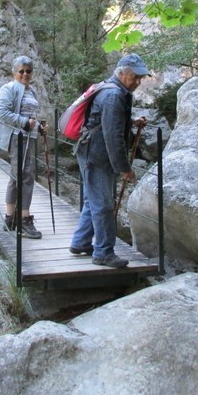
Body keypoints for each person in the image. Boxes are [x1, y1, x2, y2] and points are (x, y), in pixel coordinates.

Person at [69, 53, 150, 268]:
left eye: (140, 78)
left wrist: (131, 121)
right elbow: (112, 136)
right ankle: (103, 252)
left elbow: (106, 119)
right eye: (135, 77)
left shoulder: (111, 89)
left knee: (93, 199)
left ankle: (80, 242)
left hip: (90, 152)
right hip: (97, 156)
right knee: (103, 204)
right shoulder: (114, 95)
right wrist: (125, 168)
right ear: (122, 73)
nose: (138, 82)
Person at [0, 56, 43, 239]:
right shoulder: (8, 88)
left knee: (19, 176)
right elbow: (2, 112)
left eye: (28, 71)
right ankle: (23, 220)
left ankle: (10, 219)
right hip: (17, 137)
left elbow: (30, 117)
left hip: (28, 137)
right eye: (21, 71)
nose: (25, 74)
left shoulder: (31, 90)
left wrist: (39, 127)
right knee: (25, 176)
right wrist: (25, 122)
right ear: (14, 72)